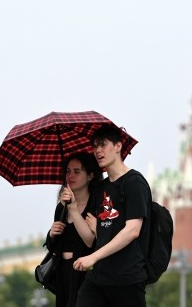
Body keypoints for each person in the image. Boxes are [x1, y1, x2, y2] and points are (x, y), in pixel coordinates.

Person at [74, 125, 151, 307]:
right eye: (95, 147)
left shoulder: (134, 183)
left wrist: (93, 257)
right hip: (99, 277)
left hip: (127, 278)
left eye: (103, 145)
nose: (98, 151)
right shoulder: (102, 188)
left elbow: (132, 230)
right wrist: (71, 209)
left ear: (118, 146)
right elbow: (89, 240)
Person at [44, 152, 103, 307]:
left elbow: (90, 242)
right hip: (62, 273)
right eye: (68, 171)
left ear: (90, 176)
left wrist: (74, 210)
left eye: (77, 172)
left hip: (84, 273)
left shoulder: (96, 206)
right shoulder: (61, 208)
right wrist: (51, 234)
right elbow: (52, 247)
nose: (71, 176)